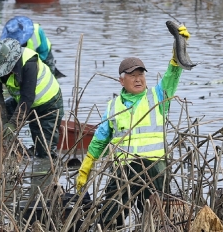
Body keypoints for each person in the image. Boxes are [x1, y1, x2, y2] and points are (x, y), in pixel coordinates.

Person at [75, 24, 191, 228]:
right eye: (132, 75)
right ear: (122, 80)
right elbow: (99, 141)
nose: (138, 79)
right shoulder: (113, 107)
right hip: (123, 170)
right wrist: (86, 168)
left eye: (141, 74)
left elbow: (173, 73)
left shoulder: (158, 95)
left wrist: (178, 48)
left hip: (154, 169)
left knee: (160, 219)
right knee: (111, 218)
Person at [0, 38, 64, 158]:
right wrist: (3, 120)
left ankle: (44, 172)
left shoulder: (28, 62)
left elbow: (27, 97)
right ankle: (5, 158)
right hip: (21, 101)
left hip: (49, 105)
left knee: (45, 152)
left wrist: (12, 125)